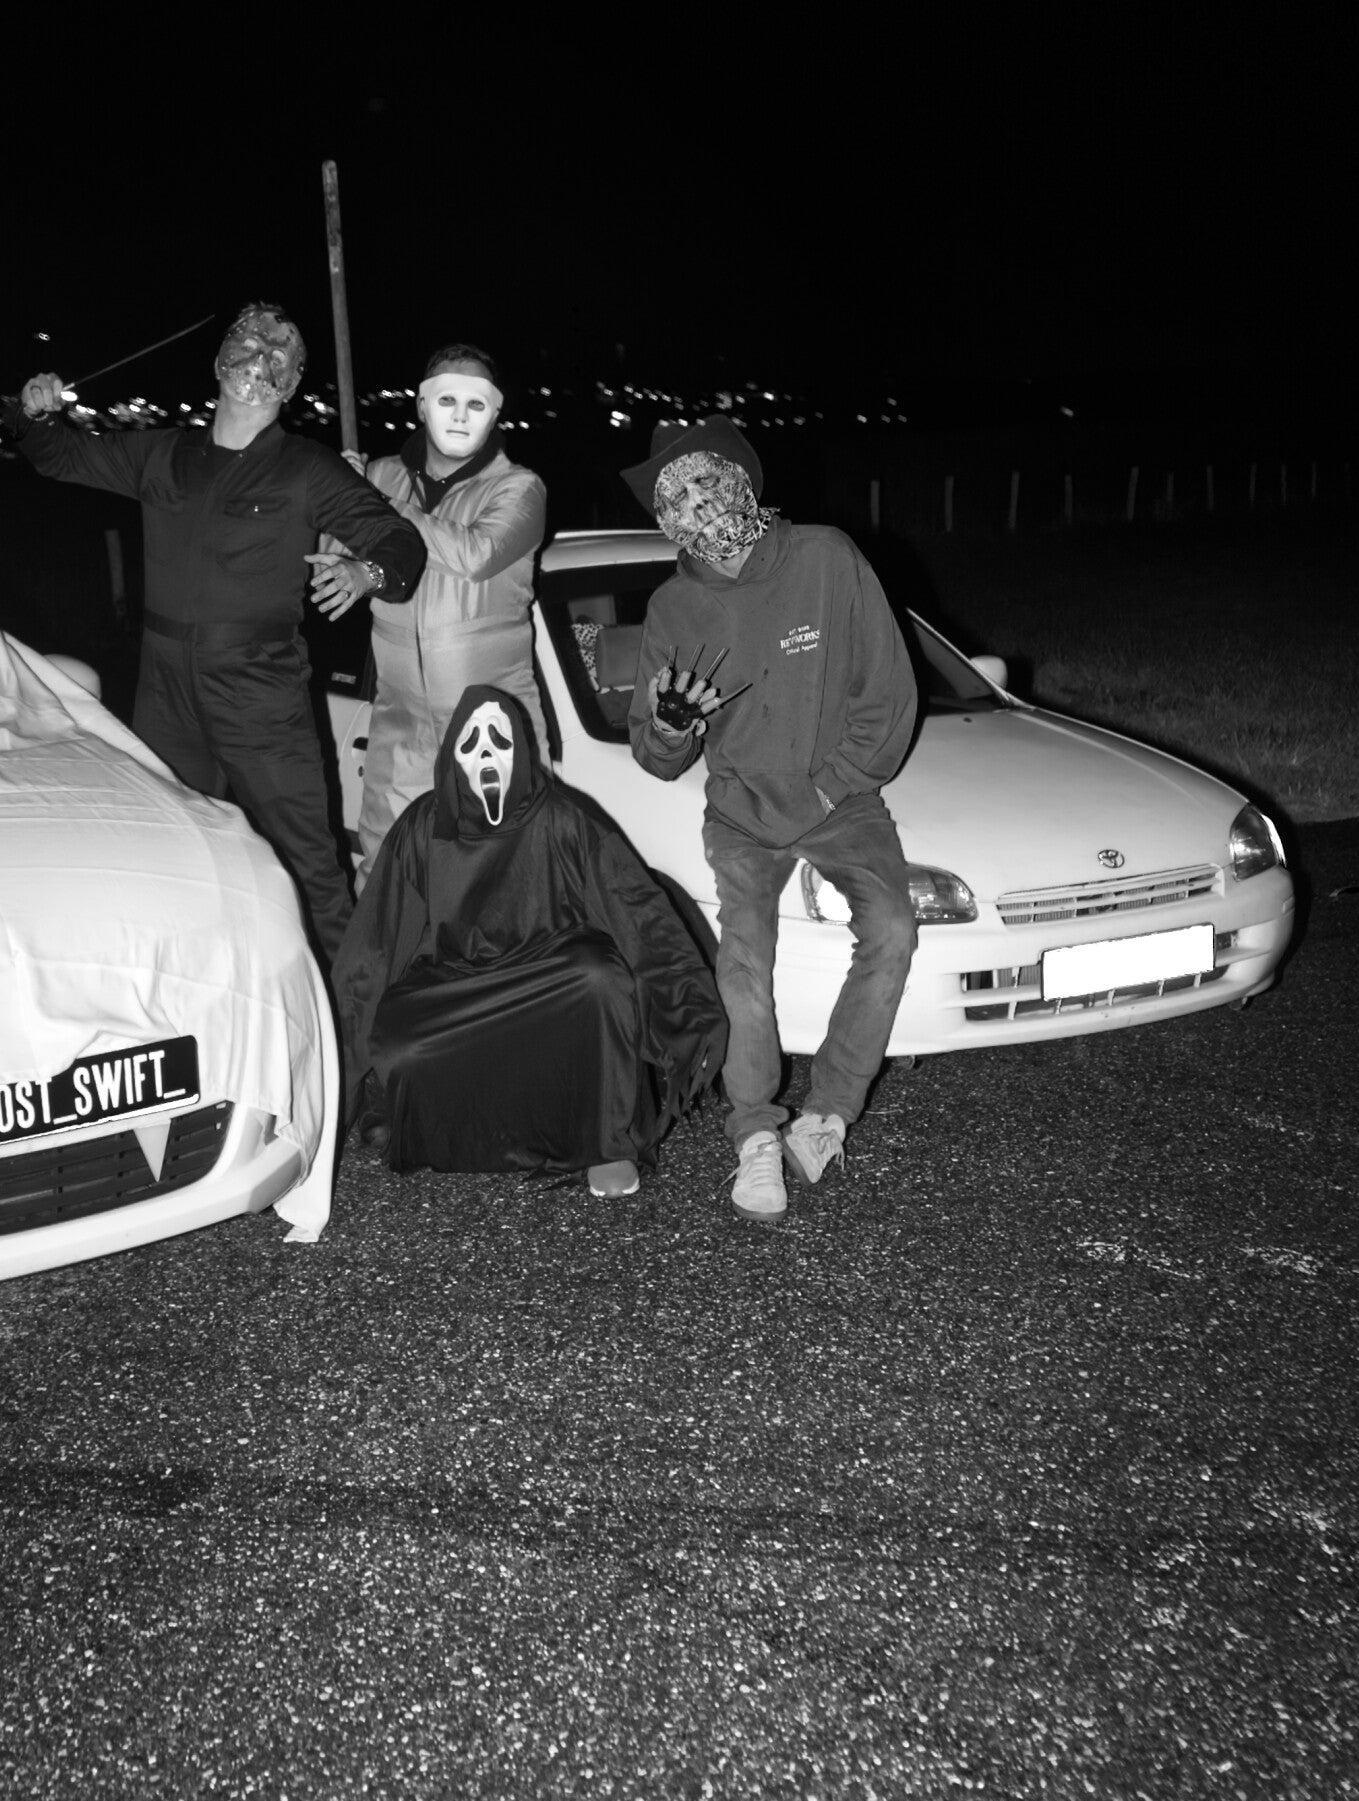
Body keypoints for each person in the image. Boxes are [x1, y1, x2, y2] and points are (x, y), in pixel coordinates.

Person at [8, 302, 424, 963]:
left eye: (280, 353)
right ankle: (201, 985)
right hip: (164, 692)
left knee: (309, 868)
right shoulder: (163, 453)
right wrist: (34, 414)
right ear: (219, 360)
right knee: (170, 850)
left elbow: (400, 544)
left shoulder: (308, 467)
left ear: (292, 382)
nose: (261, 357)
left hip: (261, 693)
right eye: (249, 342)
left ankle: (357, 1015)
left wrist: (364, 571)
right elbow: (58, 455)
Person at [623, 418, 918, 1227]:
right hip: (743, 811)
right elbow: (655, 753)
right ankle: (755, 1133)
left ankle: (828, 1114)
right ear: (663, 520)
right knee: (743, 966)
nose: (698, 504)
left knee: (893, 928)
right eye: (675, 497)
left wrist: (828, 790)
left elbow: (889, 696)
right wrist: (672, 726)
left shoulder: (827, 558)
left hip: (840, 801)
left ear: (743, 480)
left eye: (707, 481)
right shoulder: (672, 606)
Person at [334, 684, 725, 1199]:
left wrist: (688, 1012)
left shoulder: (563, 817)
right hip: (461, 983)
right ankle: (457, 1134)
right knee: (401, 1044)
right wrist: (332, 1081)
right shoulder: (424, 827)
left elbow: (636, 911)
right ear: (453, 756)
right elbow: (375, 945)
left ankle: (606, 1143)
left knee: (600, 980)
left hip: (550, 979)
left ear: (520, 749)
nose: (487, 754)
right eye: (472, 743)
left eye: (499, 740)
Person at [329, 342, 547, 882]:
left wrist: (374, 505)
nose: (460, 415)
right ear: (422, 406)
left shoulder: (520, 488)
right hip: (397, 720)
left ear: (495, 413)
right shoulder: (378, 475)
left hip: (489, 726)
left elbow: (476, 555)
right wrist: (337, 497)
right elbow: (330, 563)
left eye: (476, 404)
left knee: (494, 878)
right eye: (446, 399)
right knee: (385, 871)